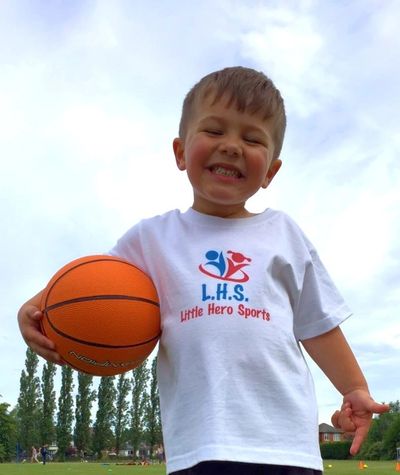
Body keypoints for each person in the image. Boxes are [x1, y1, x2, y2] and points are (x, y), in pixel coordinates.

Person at [18, 66, 389, 475]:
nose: (231, 146)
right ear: (180, 152)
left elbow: (318, 325)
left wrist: (353, 388)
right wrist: (34, 311)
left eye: (251, 138)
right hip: (198, 446)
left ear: (270, 171)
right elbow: (86, 287)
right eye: (214, 131)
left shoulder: (283, 234)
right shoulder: (152, 239)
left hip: (285, 447)